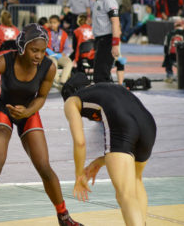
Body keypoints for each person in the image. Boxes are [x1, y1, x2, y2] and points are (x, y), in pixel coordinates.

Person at [0, 23, 83, 226]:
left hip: (29, 111)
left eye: (42, 51)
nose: (39, 56)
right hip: (4, 109)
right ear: (22, 47)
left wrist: (29, 111)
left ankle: (63, 216)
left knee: (44, 166)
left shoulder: (49, 67)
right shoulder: (2, 61)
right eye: (34, 50)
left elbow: (41, 97)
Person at [62, 74, 156, 226]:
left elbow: (80, 142)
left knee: (125, 195)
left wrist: (79, 175)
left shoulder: (71, 101)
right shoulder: (108, 88)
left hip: (122, 127)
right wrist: (100, 161)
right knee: (136, 180)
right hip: (149, 125)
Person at [86, 0, 121, 83]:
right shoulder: (98, 1)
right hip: (100, 41)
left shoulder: (108, 0)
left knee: (101, 77)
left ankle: (108, 99)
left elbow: (115, 22)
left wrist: (115, 44)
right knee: (102, 75)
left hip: (107, 41)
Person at [162, 17, 184, 83]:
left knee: (167, 57)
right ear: (183, 25)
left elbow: (165, 47)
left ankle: (169, 75)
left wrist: (166, 56)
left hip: (171, 58)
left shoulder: (169, 34)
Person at [46, 15, 73, 87]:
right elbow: (43, 45)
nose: (52, 24)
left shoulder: (63, 33)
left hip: (59, 55)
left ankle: (63, 82)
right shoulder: (45, 32)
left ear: (58, 23)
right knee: (53, 62)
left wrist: (63, 54)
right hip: (49, 55)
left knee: (69, 62)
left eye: (54, 23)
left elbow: (68, 48)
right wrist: (49, 52)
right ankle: (57, 82)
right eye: (50, 22)